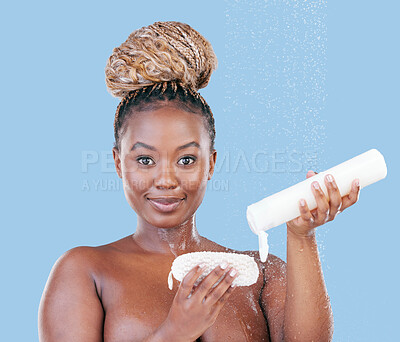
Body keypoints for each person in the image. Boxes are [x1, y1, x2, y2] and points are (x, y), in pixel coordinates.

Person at [38, 21, 361, 342]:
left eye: (187, 160)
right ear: (118, 163)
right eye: (145, 160)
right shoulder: (87, 271)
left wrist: (301, 236)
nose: (165, 179)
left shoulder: (260, 273)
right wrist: (173, 333)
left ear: (211, 164)